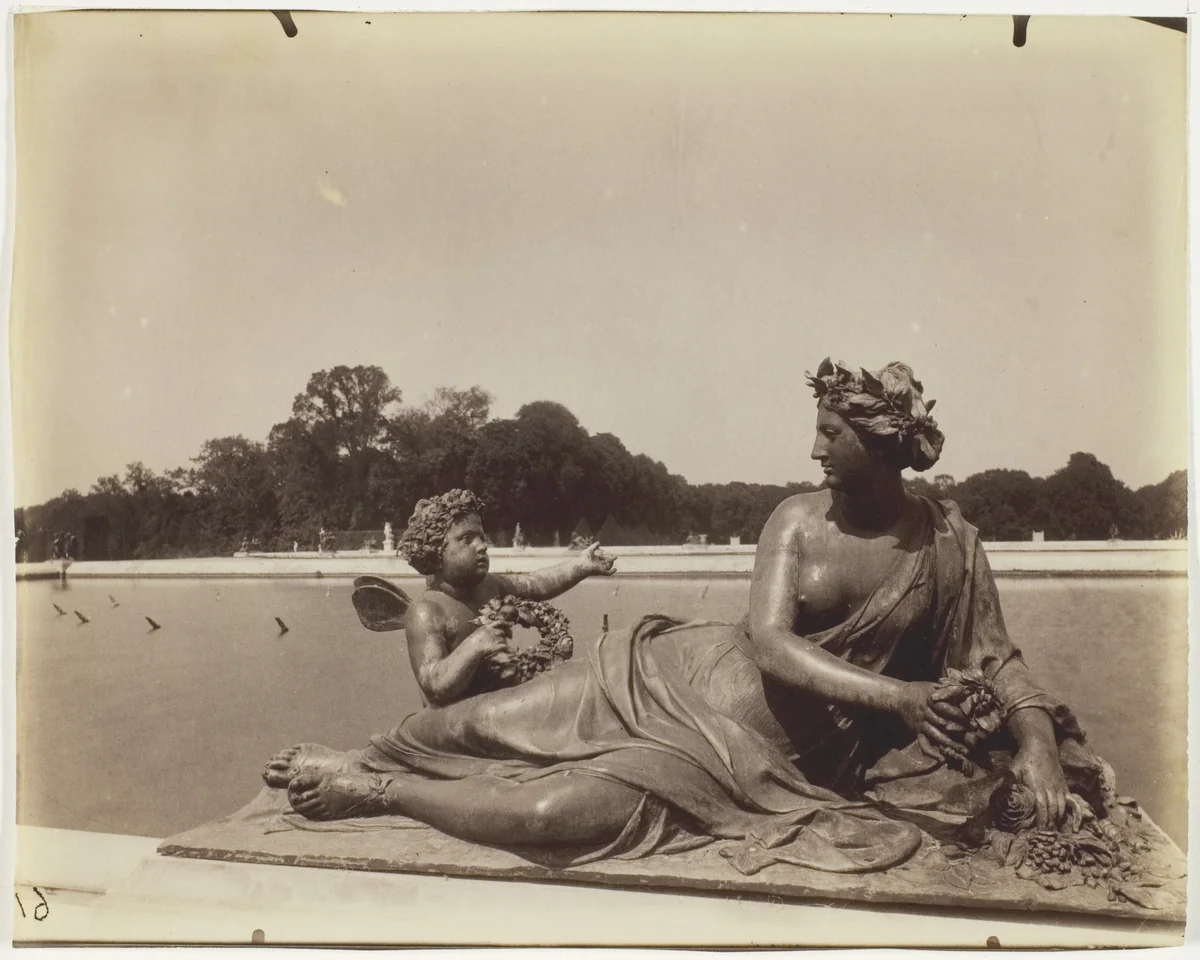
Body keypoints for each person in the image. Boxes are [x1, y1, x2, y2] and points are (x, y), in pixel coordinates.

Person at [262, 360, 1079, 872]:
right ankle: (371, 752)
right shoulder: (795, 521)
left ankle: (377, 791)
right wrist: (900, 698)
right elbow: (767, 640)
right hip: (671, 679)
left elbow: (999, 658)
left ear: (881, 441)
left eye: (831, 434)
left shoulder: (949, 542)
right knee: (474, 723)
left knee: (550, 816)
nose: (815, 449)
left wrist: (1038, 748)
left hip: (759, 762)